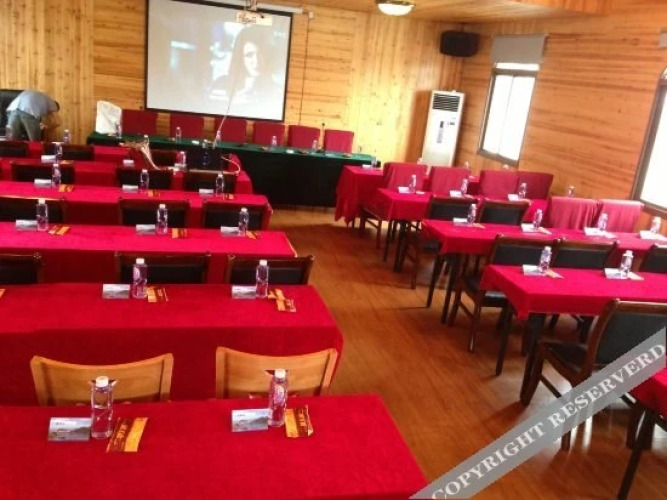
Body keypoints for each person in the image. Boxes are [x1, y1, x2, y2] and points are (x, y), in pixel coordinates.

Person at [226, 26, 284, 117]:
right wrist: (233, 105)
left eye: (261, 54)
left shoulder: (279, 92)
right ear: (239, 57)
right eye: (249, 55)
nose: (256, 61)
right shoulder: (221, 86)